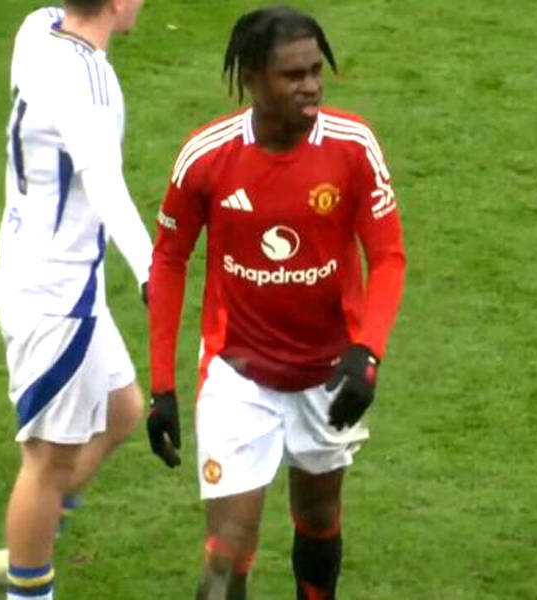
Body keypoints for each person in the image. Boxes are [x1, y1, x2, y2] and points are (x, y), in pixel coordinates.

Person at [145, 5, 406, 598]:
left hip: (328, 374)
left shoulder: (352, 147)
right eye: (293, 75)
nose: (310, 86)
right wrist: (162, 386)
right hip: (240, 377)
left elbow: (388, 257)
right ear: (253, 79)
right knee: (227, 550)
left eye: (315, 71)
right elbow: (168, 261)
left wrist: (368, 353)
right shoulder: (207, 156)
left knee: (318, 518)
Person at [0, 1, 149, 598]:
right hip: (56, 294)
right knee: (48, 461)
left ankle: (34, 532)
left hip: (43, 271)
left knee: (122, 411)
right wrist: (152, 271)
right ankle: (27, 580)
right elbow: (104, 184)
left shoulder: (37, 27)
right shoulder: (90, 82)